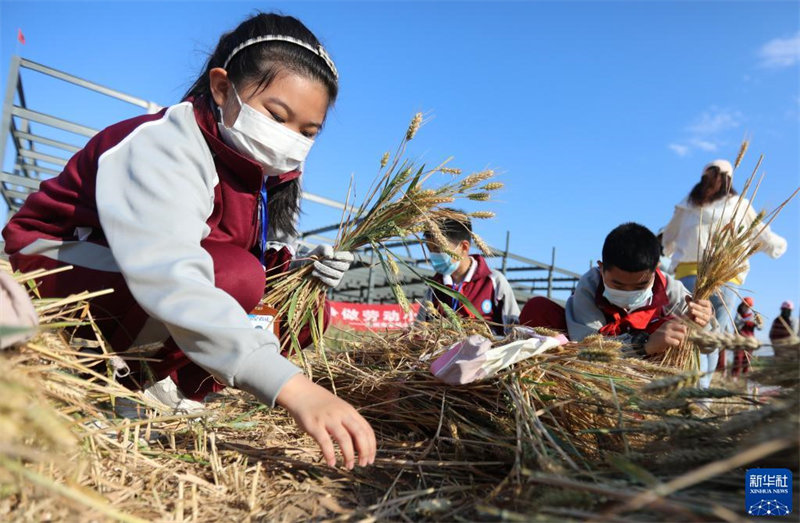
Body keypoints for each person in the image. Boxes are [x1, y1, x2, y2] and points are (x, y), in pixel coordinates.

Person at [2, 13, 375, 470]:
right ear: (222, 88)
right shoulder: (164, 145)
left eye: (307, 132)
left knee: (302, 306)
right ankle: (115, 383)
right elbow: (171, 273)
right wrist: (292, 387)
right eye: (277, 116)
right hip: (53, 266)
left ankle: (176, 386)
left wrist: (301, 272)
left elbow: (251, 259)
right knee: (233, 276)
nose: (290, 139)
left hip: (136, 275)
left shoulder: (265, 179)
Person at [662, 159, 787, 388]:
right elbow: (764, 236)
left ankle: (685, 386)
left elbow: (667, 239)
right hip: (725, 281)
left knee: (688, 333)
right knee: (712, 338)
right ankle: (701, 392)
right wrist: (778, 246)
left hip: (688, 276)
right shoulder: (738, 204)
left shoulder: (687, 206)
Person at [520, 223, 713, 358]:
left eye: (639, 286)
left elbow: (710, 346)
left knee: (676, 328)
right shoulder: (590, 285)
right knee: (538, 309)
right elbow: (587, 347)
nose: (628, 292)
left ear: (656, 270)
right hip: (595, 367)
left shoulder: (673, 291)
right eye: (618, 285)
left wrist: (703, 324)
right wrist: (643, 345)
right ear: (601, 267)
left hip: (649, 374)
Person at [416, 212, 520, 335]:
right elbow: (419, 330)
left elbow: (514, 331)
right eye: (430, 249)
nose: (433, 255)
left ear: (464, 247)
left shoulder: (494, 282)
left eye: (438, 249)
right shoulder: (434, 287)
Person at [732, 297, 761, 377]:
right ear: (742, 305)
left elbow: (760, 328)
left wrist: (759, 322)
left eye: (748, 306)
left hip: (750, 341)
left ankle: (745, 376)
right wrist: (744, 321)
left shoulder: (753, 317)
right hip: (739, 340)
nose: (746, 308)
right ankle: (735, 376)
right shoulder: (738, 315)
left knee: (747, 360)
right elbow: (736, 325)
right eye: (745, 305)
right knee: (738, 358)